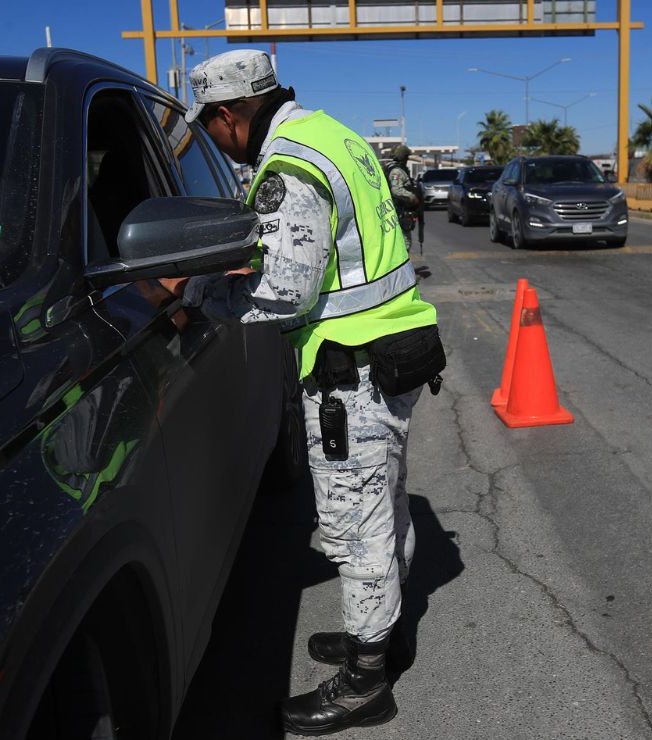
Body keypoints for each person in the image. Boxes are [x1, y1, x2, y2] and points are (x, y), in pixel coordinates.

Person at [162, 49, 442, 735]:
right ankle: (383, 636)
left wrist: (192, 292)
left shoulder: (288, 166)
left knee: (357, 533)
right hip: (396, 351)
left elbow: (285, 295)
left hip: (354, 372)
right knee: (388, 509)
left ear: (230, 115)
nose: (215, 141)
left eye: (212, 127)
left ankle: (364, 685)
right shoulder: (331, 132)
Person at [384, 144, 420, 251]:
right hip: (398, 211)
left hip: (396, 211)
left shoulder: (392, 168)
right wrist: (412, 197)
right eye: (406, 157)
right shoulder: (396, 171)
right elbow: (396, 190)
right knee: (405, 243)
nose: (407, 160)